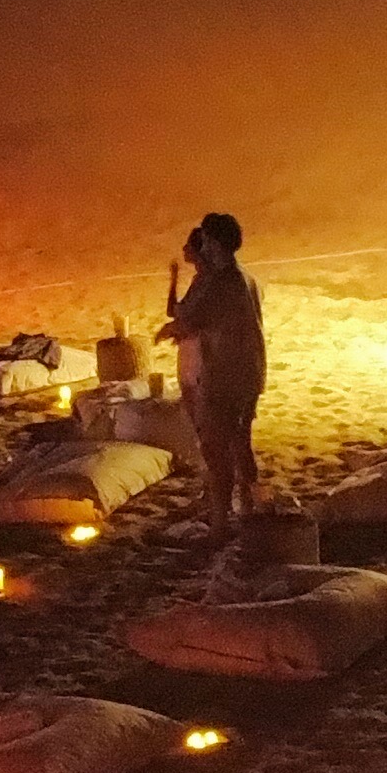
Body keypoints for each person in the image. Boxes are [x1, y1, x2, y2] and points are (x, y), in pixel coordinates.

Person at [156, 211, 265, 539]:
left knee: (216, 451)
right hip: (250, 372)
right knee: (241, 442)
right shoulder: (246, 278)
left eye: (204, 238)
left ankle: (220, 525)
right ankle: (251, 509)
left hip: (224, 375)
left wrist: (169, 329)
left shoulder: (220, 283)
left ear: (214, 243)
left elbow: (187, 318)